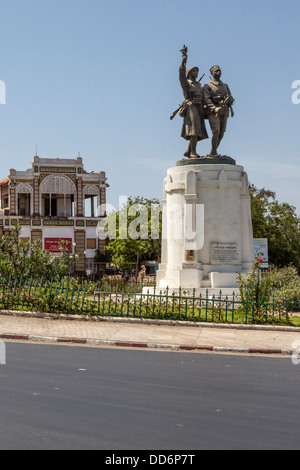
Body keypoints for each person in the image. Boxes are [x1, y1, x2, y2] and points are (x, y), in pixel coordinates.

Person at [178, 46, 208, 158]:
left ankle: (189, 150)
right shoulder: (186, 83)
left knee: (197, 130)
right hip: (191, 108)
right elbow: (181, 72)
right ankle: (192, 152)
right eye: (195, 71)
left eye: (197, 71)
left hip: (199, 108)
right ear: (190, 73)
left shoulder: (199, 85)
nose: (197, 73)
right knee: (193, 130)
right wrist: (184, 58)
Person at [203, 65, 234, 157]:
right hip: (214, 112)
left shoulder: (225, 85)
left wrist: (230, 99)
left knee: (221, 133)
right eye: (216, 71)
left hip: (224, 111)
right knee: (216, 131)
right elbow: (206, 100)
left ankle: (213, 151)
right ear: (212, 73)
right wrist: (215, 108)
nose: (218, 73)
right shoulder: (208, 86)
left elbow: (231, 98)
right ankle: (213, 152)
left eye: (219, 71)